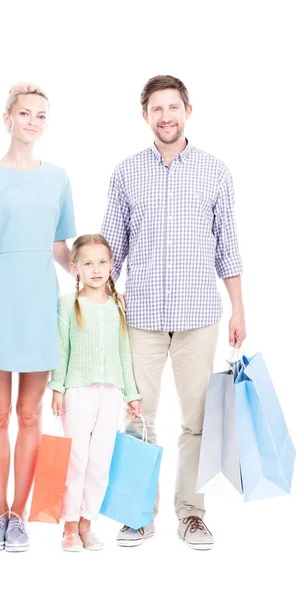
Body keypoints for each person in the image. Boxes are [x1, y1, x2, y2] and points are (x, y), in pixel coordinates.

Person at [101, 75, 246, 551]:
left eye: (173, 107)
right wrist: (97, 308)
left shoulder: (215, 172)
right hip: (139, 317)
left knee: (196, 419)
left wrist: (238, 309)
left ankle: (192, 514)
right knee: (138, 418)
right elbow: (111, 249)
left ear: (188, 109)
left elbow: (228, 248)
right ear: (145, 116)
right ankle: (138, 515)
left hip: (198, 316)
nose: (165, 116)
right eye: (156, 109)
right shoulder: (125, 173)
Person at [0, 83, 76, 552]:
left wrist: (100, 281)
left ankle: (21, 516)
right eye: (24, 113)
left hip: (40, 309)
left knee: (30, 414)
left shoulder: (59, 179)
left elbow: (61, 249)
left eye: (41, 115)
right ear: (7, 118)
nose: (32, 122)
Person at [48, 234, 142, 552]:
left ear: (112, 264)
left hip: (111, 393)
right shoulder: (67, 304)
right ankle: (70, 526)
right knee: (76, 459)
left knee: (99, 461)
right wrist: (57, 388)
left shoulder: (118, 306)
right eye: (88, 263)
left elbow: (124, 351)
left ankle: (87, 524)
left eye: (102, 262)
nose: (96, 269)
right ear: (75, 268)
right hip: (77, 392)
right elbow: (61, 349)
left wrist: (131, 393)